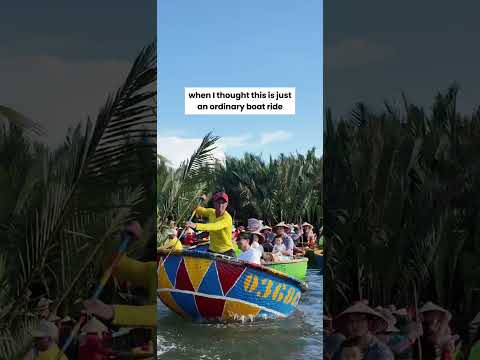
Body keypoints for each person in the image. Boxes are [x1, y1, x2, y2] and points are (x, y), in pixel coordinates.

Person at [82, 222, 156, 331]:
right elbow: (114, 265)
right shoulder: (154, 269)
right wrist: (122, 239)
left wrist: (111, 311)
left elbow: (155, 314)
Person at [185, 192, 234, 257]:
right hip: (212, 250)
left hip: (226, 252)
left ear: (227, 204)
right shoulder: (211, 212)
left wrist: (196, 225)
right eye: (218, 202)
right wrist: (198, 198)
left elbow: (214, 226)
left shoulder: (227, 218)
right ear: (214, 203)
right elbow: (196, 208)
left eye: (223, 203)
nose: (220, 205)